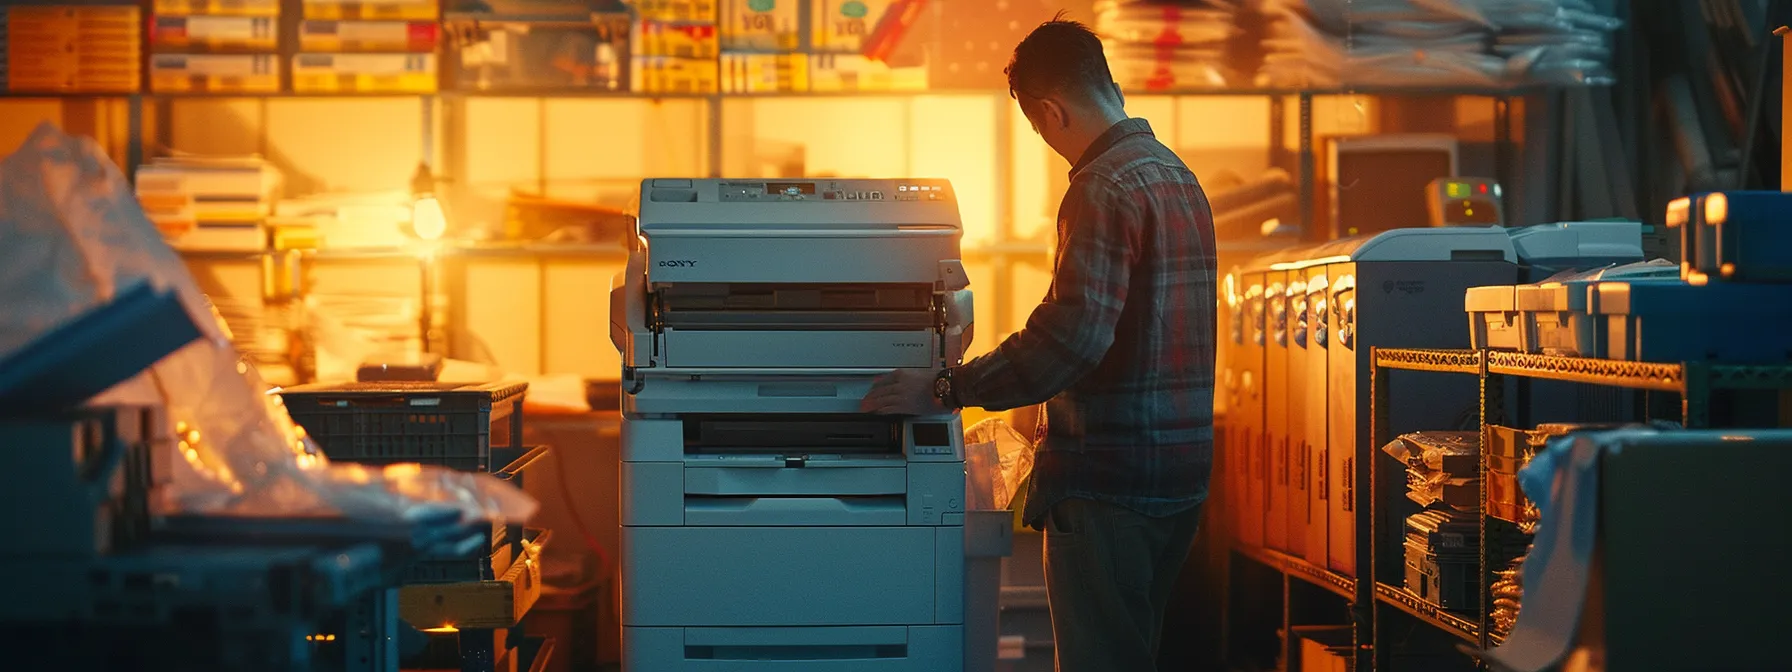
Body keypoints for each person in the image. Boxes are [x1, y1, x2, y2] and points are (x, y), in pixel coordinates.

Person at [859, 15, 1218, 672]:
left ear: (1051, 112)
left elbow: (1070, 339)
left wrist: (945, 388)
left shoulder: (1101, 186)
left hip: (1110, 482)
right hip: (1179, 476)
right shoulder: (1177, 174)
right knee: (1134, 650)